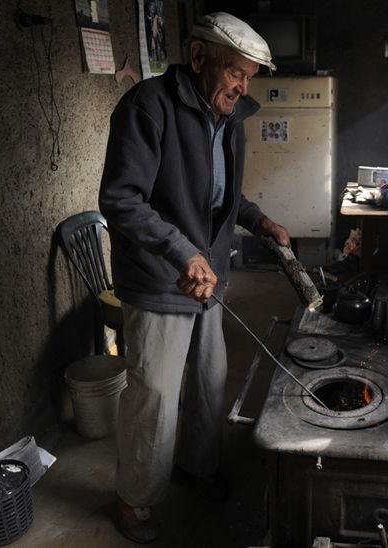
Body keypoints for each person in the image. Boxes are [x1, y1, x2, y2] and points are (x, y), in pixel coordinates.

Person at [98, 12, 289, 543]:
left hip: (209, 277)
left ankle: (195, 468)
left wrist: (259, 221)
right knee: (155, 394)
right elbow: (120, 199)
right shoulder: (148, 107)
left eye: (249, 76)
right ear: (199, 57)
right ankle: (135, 496)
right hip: (161, 277)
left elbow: (221, 196)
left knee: (208, 382)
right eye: (234, 72)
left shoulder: (230, 116)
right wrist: (183, 253)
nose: (241, 85)